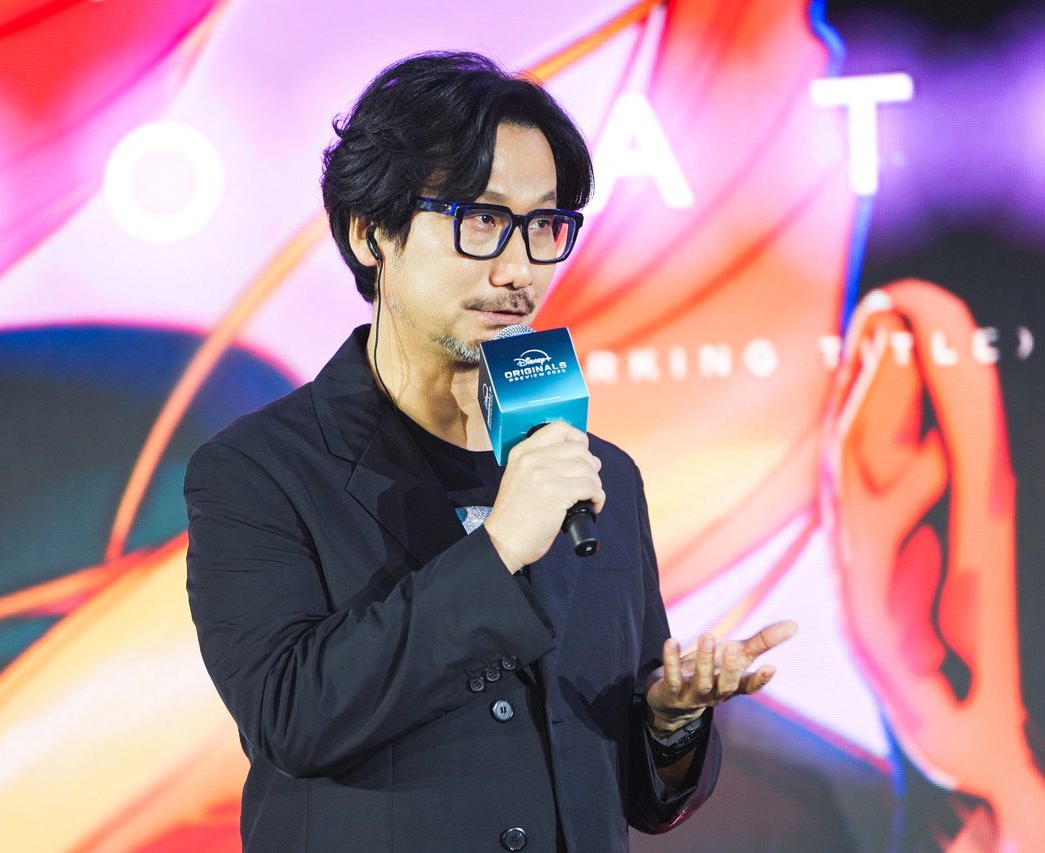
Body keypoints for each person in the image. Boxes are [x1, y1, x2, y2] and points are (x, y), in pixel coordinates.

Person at [184, 52, 796, 853]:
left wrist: (670, 721)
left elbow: (624, 785)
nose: (519, 269)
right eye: (480, 220)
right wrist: (502, 546)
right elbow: (292, 716)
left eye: (546, 226)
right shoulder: (260, 469)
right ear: (372, 234)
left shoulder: (597, 471)